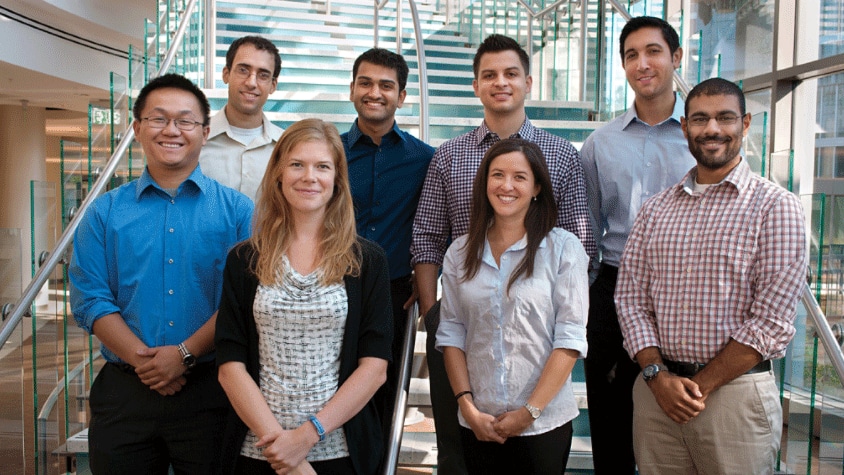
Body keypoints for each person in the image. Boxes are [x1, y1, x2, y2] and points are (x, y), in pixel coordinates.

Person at [411, 34, 594, 473]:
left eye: (511, 73)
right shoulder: (449, 155)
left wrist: (551, 310)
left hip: (537, 330)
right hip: (465, 325)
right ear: (475, 85)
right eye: (489, 75)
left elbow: (578, 243)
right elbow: (427, 237)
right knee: (460, 458)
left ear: (528, 81)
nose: (500, 83)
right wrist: (436, 316)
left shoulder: (562, 155)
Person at [615, 78, 807, 474]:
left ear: (746, 124)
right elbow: (630, 300)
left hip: (734, 399)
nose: (712, 129)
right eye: (700, 119)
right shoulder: (655, 210)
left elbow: (771, 322)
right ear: (684, 127)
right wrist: (657, 376)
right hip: (657, 397)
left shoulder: (777, 208)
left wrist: (695, 388)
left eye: (725, 118)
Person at [68, 73, 254, 474]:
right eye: (158, 119)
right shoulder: (103, 213)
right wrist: (149, 364)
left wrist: (184, 356)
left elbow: (244, 302)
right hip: (124, 395)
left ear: (205, 132)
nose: (172, 130)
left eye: (185, 121)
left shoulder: (239, 213)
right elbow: (90, 299)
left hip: (212, 391)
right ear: (137, 128)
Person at [215, 118, 393, 475]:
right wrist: (283, 450)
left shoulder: (367, 260)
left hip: (340, 452)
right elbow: (230, 366)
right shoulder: (244, 260)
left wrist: (306, 438)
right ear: (279, 173)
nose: (309, 176)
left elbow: (374, 369)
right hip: (260, 451)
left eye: (322, 166)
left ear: (337, 179)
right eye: (297, 164)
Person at [578, 16, 695, 474]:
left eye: (653, 51)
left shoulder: (698, 137)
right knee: (611, 427)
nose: (642, 63)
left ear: (676, 58)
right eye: (631, 55)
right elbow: (587, 230)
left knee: (683, 420)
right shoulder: (600, 143)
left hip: (686, 292)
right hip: (613, 288)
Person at [436, 138, 588, 474]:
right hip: (479, 422)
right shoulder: (459, 254)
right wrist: (467, 406)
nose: (507, 185)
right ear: (484, 183)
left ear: (536, 187)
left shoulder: (563, 249)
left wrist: (528, 413)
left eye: (519, 177)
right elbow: (451, 333)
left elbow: (570, 339)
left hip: (543, 423)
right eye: (497, 175)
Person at [341, 47, 434, 443]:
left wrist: (429, 275)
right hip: (332, 286)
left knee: (384, 395)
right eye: (365, 82)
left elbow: (436, 225)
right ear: (352, 89)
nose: (374, 92)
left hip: (395, 294)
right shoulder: (330, 152)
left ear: (402, 95)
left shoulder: (425, 158)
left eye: (386, 85)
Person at [200, 35, 284, 202]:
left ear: (273, 85)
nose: (251, 82)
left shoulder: (286, 147)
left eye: (263, 75)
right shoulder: (194, 141)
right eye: (243, 70)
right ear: (226, 74)